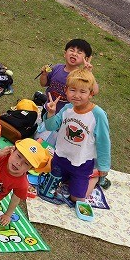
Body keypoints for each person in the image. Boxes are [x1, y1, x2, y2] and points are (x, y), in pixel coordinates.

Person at [43, 68, 111, 202]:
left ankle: (95, 177)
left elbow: (103, 142)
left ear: (91, 93)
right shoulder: (67, 108)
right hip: (61, 157)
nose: (77, 95)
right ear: (66, 90)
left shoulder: (98, 115)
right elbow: (51, 126)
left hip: (82, 163)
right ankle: (69, 180)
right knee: (51, 187)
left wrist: (103, 166)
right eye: (73, 90)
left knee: (77, 199)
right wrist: (51, 113)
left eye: (83, 92)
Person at [39, 38, 98, 114]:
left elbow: (95, 91)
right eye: (72, 50)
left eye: (79, 53)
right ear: (65, 53)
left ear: (86, 59)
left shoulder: (81, 76)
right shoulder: (57, 68)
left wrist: (89, 72)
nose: (74, 54)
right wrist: (44, 75)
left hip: (66, 114)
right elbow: (43, 84)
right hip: (48, 107)